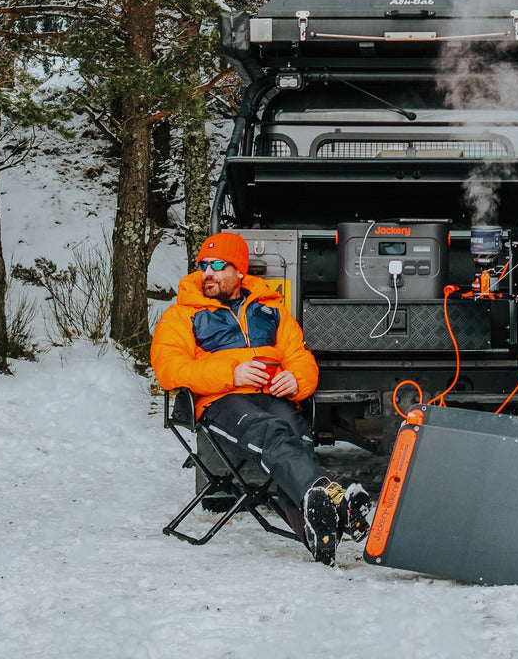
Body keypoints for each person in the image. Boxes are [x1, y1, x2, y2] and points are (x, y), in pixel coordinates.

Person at [151, 231, 370, 565]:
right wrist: (232, 374)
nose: (207, 272)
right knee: (272, 435)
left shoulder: (270, 309)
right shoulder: (182, 314)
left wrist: (295, 380)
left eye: (218, 265)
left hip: (270, 394)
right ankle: (338, 500)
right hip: (220, 401)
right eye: (203, 265)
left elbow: (299, 356)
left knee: (296, 441)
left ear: (239, 271)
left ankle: (316, 534)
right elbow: (169, 369)